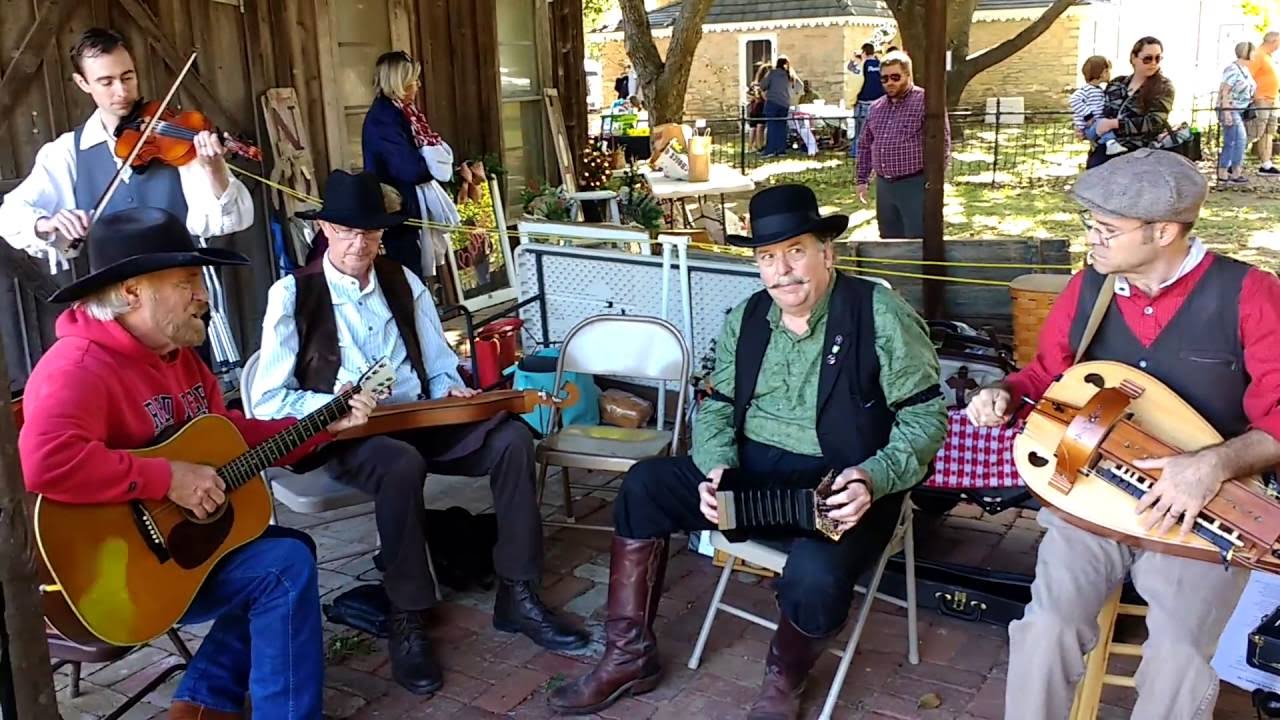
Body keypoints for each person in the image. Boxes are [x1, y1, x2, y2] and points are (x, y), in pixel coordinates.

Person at [548, 184, 948, 719]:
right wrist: (716, 467)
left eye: (795, 251)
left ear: (826, 251)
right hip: (752, 475)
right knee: (645, 486)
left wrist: (872, 477)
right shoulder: (747, 318)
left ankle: (785, 681)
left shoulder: (877, 313)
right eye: (767, 257)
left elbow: (926, 416)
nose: (783, 270)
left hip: (843, 486)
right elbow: (713, 402)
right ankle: (628, 656)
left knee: (816, 574)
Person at [18, 207, 375, 720]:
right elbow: (45, 463)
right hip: (114, 581)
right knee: (282, 568)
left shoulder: (179, 357)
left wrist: (322, 424)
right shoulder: (76, 368)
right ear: (134, 291)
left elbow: (226, 438)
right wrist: (167, 477)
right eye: (188, 282)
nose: (204, 296)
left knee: (284, 548)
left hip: (178, 554)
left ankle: (204, 698)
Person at [965, 149, 1280, 720]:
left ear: (1164, 231)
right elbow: (1047, 377)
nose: (1092, 239)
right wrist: (1005, 393)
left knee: (1180, 656)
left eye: (1107, 228)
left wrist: (1210, 465)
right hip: (1091, 494)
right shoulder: (1090, 288)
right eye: (1091, 224)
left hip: (1199, 514)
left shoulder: (1249, 294)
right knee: (1047, 628)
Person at [250, 170, 588, 696]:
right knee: (398, 464)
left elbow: (436, 365)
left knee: (512, 440)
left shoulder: (401, 281)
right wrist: (334, 408)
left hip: (420, 417)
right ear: (325, 231)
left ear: (382, 234)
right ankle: (407, 615)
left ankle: (518, 594)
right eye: (345, 231)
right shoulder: (293, 294)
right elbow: (266, 400)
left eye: (368, 232)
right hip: (346, 435)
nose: (357, 242)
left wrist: (450, 389)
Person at [0, 27, 252, 272]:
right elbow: (9, 216)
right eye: (106, 82)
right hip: (113, 296)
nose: (121, 91)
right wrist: (45, 223)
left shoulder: (176, 142)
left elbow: (233, 219)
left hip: (182, 287)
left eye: (127, 77)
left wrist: (214, 169)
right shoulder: (67, 151)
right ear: (83, 82)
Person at [362, 50, 456, 280]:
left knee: (416, 272)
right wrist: (432, 163)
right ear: (400, 83)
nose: (418, 86)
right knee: (407, 274)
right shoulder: (383, 117)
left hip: (410, 206)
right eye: (414, 80)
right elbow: (410, 169)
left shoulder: (404, 112)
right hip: (397, 210)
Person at [856, 51, 951, 239]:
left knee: (918, 240)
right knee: (888, 240)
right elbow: (865, 145)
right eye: (884, 79)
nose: (889, 82)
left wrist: (935, 180)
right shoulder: (876, 108)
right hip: (885, 185)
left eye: (895, 77)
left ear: (908, 75)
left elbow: (943, 141)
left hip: (915, 183)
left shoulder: (926, 101)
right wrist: (861, 179)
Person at [1087, 36, 1175, 169]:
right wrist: (1086, 126)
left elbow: (1155, 122)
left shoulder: (1163, 87)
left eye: (1158, 58)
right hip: (1104, 153)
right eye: (1147, 58)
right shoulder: (1117, 83)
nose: (1153, 63)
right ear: (1134, 58)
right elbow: (1100, 111)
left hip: (1140, 156)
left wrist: (1115, 124)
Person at [1219, 42, 1259, 186]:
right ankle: (1227, 172)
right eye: (1253, 52)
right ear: (1246, 52)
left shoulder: (1245, 70)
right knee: (1237, 140)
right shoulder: (1232, 69)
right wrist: (1227, 112)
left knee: (1236, 141)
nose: (1255, 54)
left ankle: (1233, 171)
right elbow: (1225, 90)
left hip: (1240, 109)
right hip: (1231, 108)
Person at [1070, 55, 1124, 156]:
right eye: (1107, 71)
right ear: (1101, 73)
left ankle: (1103, 144)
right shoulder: (1086, 90)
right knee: (1103, 124)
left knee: (1103, 124)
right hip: (1089, 126)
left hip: (1095, 125)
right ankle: (1111, 143)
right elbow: (1074, 100)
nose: (1109, 74)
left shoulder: (1098, 90)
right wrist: (1088, 116)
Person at [1246, 31, 1279, 176]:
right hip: (1261, 99)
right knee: (1255, 131)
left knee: (1268, 132)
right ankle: (1232, 162)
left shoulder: (1269, 57)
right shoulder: (1258, 55)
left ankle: (1266, 164)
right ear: (1273, 41)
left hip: (1271, 99)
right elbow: (1248, 76)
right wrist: (1256, 97)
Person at [846, 42, 885, 157]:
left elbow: (854, 86)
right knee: (878, 132)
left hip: (863, 103)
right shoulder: (882, 65)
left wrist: (851, 102)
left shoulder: (861, 66)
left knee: (861, 132)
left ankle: (857, 153)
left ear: (863, 52)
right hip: (880, 104)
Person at [762, 58, 793, 158]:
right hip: (785, 103)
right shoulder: (788, 75)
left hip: (773, 102)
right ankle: (781, 150)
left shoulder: (772, 73)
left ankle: (770, 150)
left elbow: (763, 85)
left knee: (772, 126)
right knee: (782, 127)